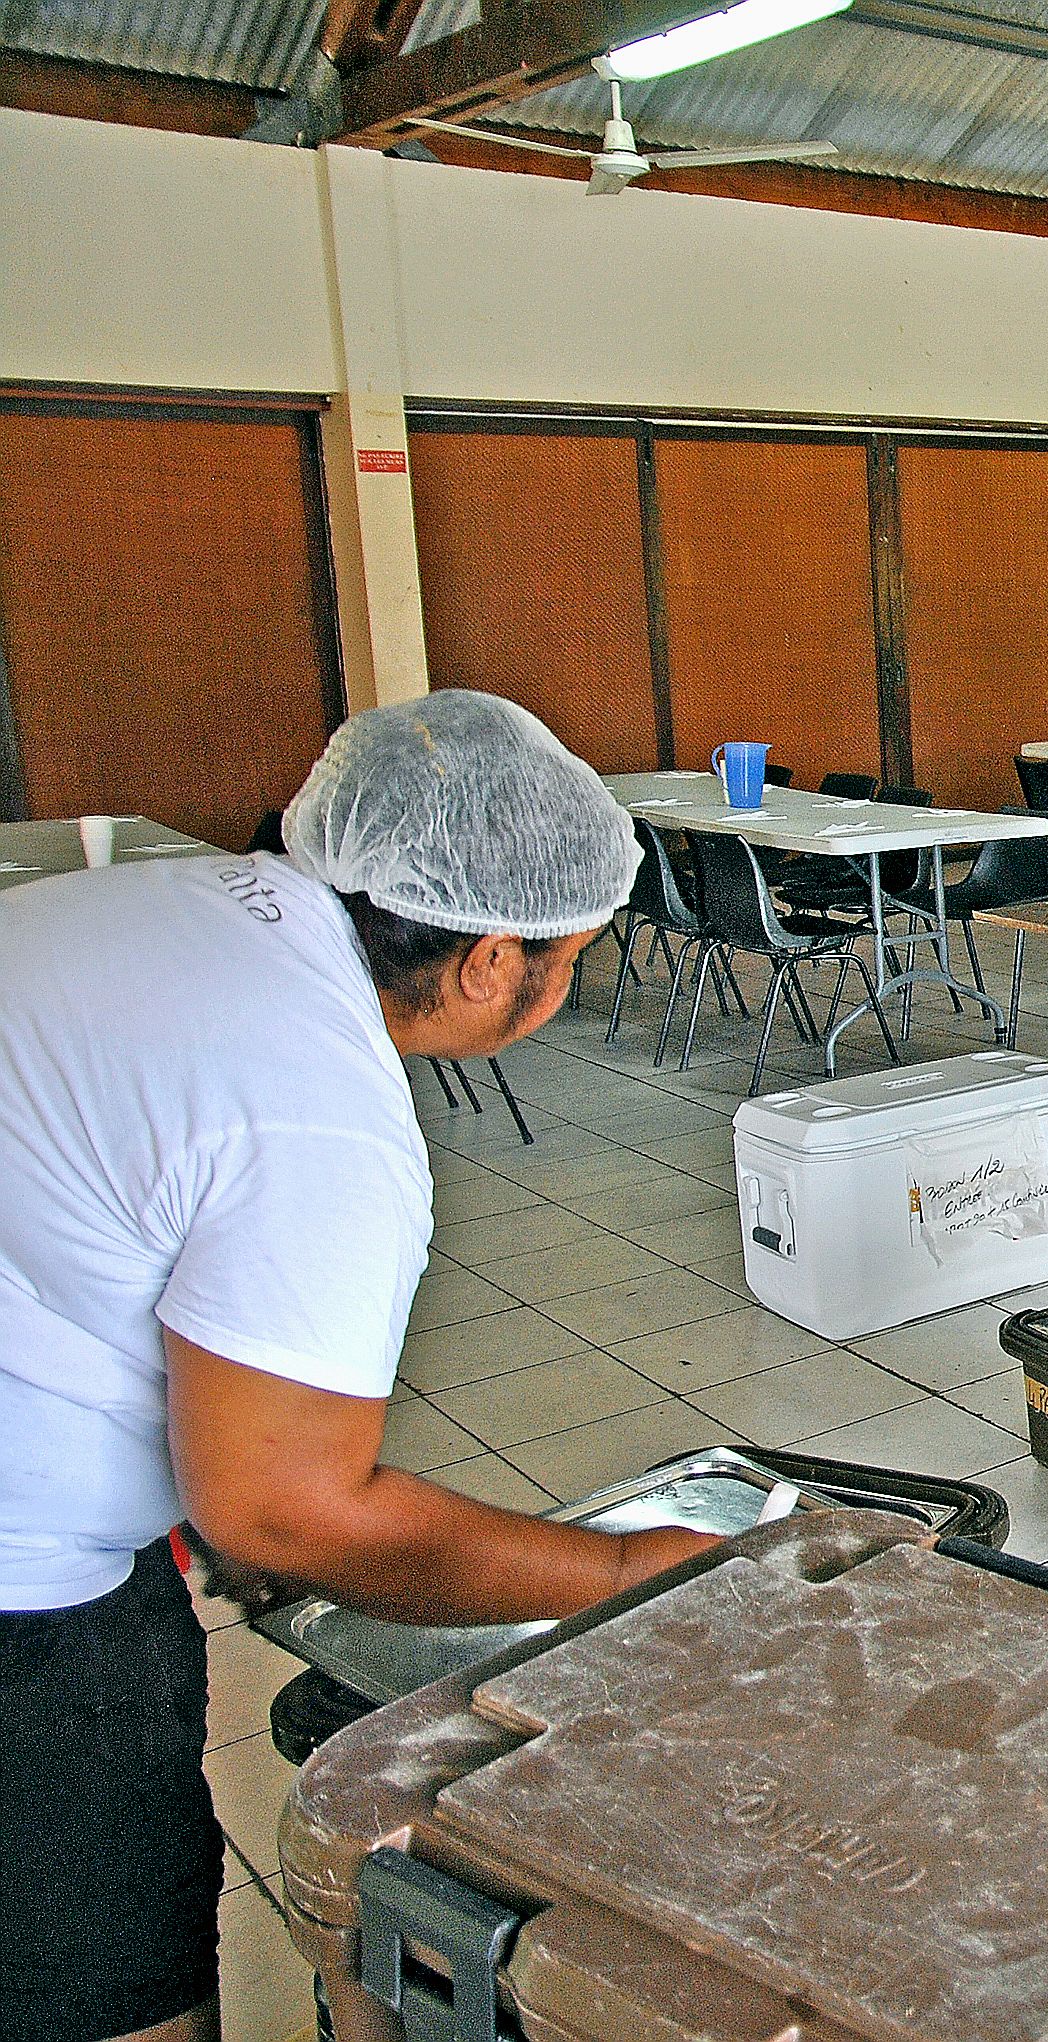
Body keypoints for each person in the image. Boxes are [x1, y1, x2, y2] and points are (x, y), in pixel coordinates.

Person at [0, 692, 723, 2042]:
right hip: (18, 1623)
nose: (567, 988)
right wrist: (626, 1573)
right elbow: (286, 1506)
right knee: (101, 1976)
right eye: (571, 957)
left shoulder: (152, 906)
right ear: (489, 959)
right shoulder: (319, 1111)